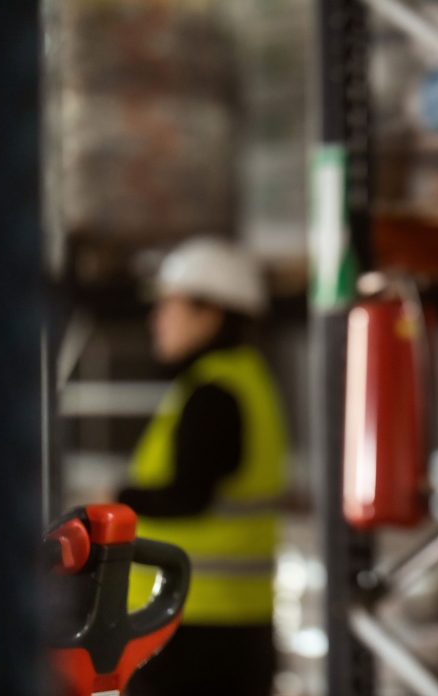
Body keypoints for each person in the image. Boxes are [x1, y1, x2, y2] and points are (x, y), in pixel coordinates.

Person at [119, 237, 287, 696]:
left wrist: (120, 500)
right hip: (228, 626)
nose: (157, 320)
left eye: (170, 306)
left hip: (190, 629)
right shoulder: (244, 381)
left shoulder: (214, 394)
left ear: (209, 314)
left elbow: (187, 496)